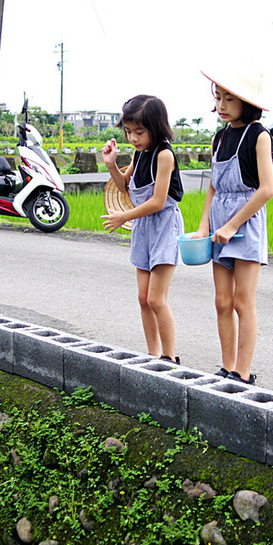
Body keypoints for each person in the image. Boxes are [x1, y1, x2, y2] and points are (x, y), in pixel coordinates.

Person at [191, 64, 273, 385]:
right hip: (218, 224)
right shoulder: (220, 137)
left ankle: (243, 373)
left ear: (246, 102)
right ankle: (227, 368)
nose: (222, 105)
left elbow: (267, 189)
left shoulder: (259, 135)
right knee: (222, 300)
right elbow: (213, 185)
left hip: (246, 223)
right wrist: (204, 226)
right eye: (218, 97)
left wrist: (231, 225)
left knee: (243, 301)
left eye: (229, 99)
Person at [101, 95, 184, 363]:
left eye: (139, 131)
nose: (133, 138)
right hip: (143, 226)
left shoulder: (164, 154)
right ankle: (153, 354)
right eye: (128, 132)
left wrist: (123, 216)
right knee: (143, 297)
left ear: (156, 127)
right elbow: (125, 186)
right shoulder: (139, 153)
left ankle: (170, 358)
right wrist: (112, 164)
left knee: (156, 299)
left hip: (163, 226)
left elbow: (158, 202)